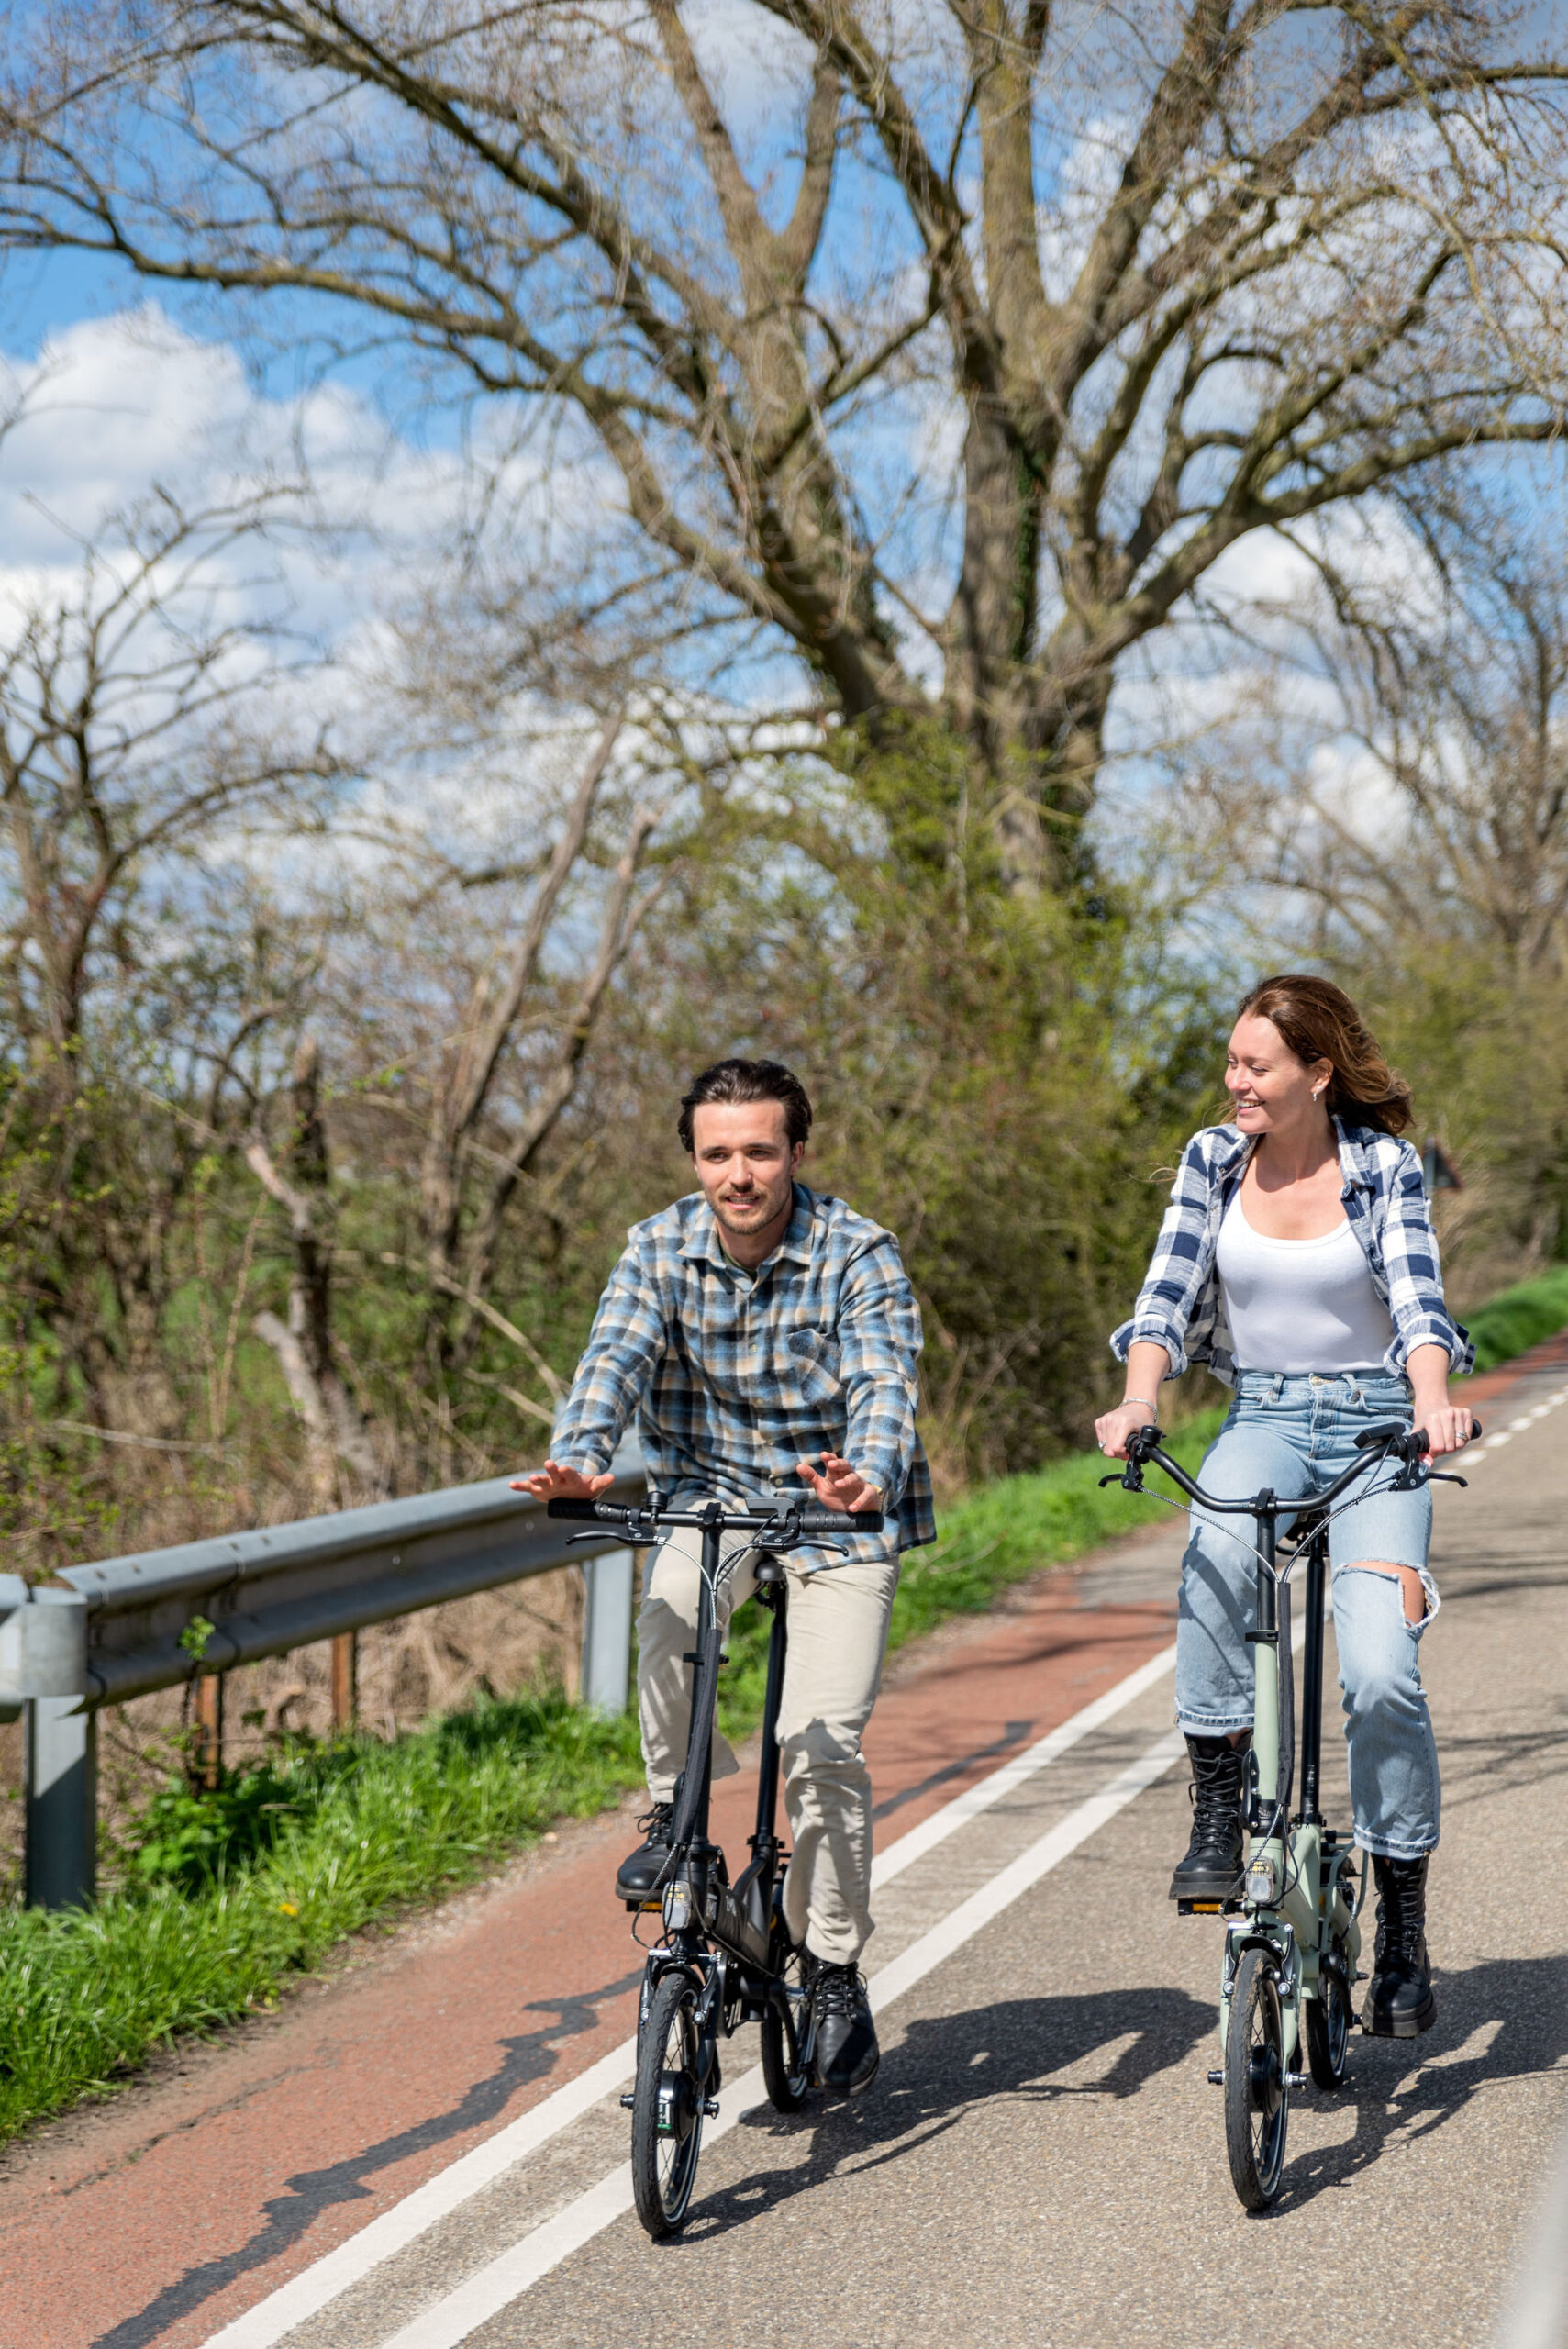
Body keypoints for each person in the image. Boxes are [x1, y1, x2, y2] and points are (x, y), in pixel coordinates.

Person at [514, 1057, 933, 2094]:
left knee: (816, 1741)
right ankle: (671, 1817)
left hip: (834, 1506)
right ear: (692, 1158)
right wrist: (582, 1451)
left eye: (757, 1150)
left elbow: (884, 1380)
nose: (736, 1173)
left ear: (796, 1149)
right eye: (716, 1153)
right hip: (710, 1495)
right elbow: (610, 1359)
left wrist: (866, 1473)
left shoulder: (857, 1251)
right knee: (667, 1612)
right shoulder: (655, 1250)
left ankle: (831, 1965)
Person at [1095, 975, 1473, 2039]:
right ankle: (1218, 1805)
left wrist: (1433, 1403)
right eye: (1229, 1062)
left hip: (1376, 1427)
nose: (1234, 1082)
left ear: (1315, 1072)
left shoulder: (1381, 1166)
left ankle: (1400, 1925)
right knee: (1215, 1547)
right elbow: (1163, 1295)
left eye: (1254, 1065)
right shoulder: (1211, 1161)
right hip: (1261, 1415)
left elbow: (1415, 1299)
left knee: (1380, 1671)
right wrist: (1136, 1398)